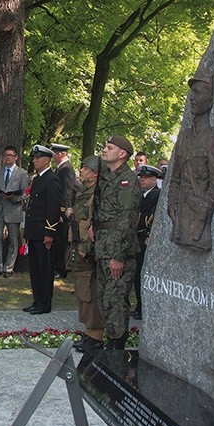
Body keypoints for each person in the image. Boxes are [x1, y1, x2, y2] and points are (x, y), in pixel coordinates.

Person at [94, 135, 140, 350]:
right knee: (104, 299)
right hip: (104, 247)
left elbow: (127, 220)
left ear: (122, 154)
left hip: (117, 251)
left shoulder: (127, 181)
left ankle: (117, 349)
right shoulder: (108, 178)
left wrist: (118, 257)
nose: (104, 150)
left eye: (109, 147)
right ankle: (111, 343)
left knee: (115, 301)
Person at [167, 71, 214, 251]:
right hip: (181, 216)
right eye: (192, 93)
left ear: (210, 100)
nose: (192, 98)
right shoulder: (184, 136)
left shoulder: (210, 136)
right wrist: (172, 204)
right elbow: (175, 177)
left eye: (198, 92)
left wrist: (204, 207)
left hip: (197, 220)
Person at [65, 156, 105, 352]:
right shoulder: (85, 192)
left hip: (87, 250)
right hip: (79, 247)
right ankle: (90, 331)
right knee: (82, 290)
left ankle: (96, 334)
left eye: (85, 168)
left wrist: (85, 248)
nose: (81, 170)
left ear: (95, 173)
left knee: (90, 291)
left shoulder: (97, 194)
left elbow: (94, 224)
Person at [22, 145, 63, 315]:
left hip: (44, 232)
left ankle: (45, 304)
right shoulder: (37, 179)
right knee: (35, 269)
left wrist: (49, 232)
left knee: (45, 269)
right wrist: (27, 233)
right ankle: (37, 300)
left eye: (38, 158)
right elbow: (32, 207)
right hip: (34, 231)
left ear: (47, 160)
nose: (34, 160)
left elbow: (53, 208)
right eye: (34, 158)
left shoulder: (52, 179)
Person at [0, 145, 29, 278]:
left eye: (10, 155)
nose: (7, 157)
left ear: (16, 157)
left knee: (13, 240)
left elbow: (25, 194)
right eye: (6, 155)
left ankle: (9, 268)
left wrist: (14, 198)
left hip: (13, 210)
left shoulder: (22, 173)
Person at [131, 164, 162, 320]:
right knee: (137, 274)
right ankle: (139, 305)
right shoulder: (141, 195)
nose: (142, 180)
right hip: (137, 237)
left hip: (146, 238)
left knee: (143, 274)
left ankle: (143, 307)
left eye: (146, 178)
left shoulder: (156, 196)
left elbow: (155, 219)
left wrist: (151, 234)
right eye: (141, 177)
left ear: (154, 179)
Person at [51, 143, 76, 279]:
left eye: (55, 153)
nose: (53, 156)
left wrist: (62, 212)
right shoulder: (60, 168)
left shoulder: (66, 170)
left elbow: (66, 192)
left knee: (61, 240)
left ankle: (61, 269)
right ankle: (57, 266)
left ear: (61, 154)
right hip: (57, 209)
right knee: (57, 240)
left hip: (62, 212)